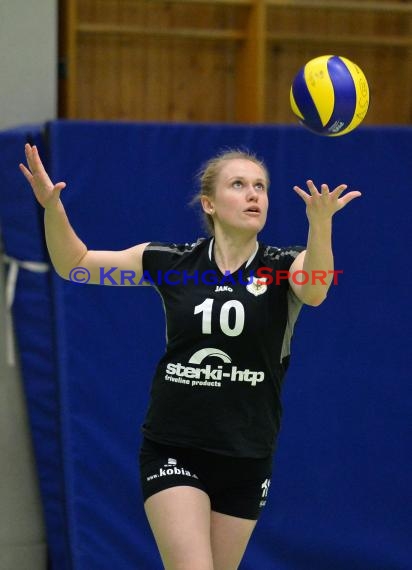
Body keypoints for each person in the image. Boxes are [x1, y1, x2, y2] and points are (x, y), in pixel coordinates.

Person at [20, 143, 360, 570]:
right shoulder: (172, 263)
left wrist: (320, 223)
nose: (254, 194)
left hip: (247, 453)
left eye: (260, 186)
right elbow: (78, 265)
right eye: (238, 185)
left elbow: (315, 289)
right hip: (174, 447)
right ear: (210, 204)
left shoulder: (282, 267)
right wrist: (53, 208)